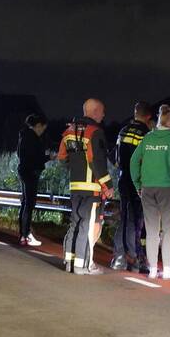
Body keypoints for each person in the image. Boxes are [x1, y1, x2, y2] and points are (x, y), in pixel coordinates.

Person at [57, 98, 113, 275]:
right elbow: (97, 161)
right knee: (87, 226)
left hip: (75, 186)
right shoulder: (95, 132)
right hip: (91, 187)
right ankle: (84, 265)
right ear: (95, 112)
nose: (103, 115)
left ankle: (70, 262)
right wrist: (108, 185)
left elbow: (61, 158)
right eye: (102, 111)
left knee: (75, 222)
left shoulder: (68, 131)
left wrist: (75, 171)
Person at [131, 107, 170, 279]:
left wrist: (138, 184)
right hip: (167, 187)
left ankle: (153, 269)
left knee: (152, 229)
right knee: (168, 229)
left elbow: (134, 161)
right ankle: (167, 269)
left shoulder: (148, 138)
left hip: (147, 187)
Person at [111, 101, 154, 272]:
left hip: (123, 179)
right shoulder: (146, 134)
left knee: (125, 216)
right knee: (136, 221)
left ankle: (120, 256)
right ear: (148, 116)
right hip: (139, 181)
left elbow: (115, 159)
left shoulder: (122, 131)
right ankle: (135, 258)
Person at [16, 113, 49, 246]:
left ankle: (23, 235)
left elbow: (22, 154)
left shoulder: (24, 136)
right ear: (38, 126)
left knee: (25, 203)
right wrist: (48, 157)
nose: (42, 132)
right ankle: (26, 235)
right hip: (30, 172)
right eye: (43, 129)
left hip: (25, 171)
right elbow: (35, 157)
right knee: (29, 204)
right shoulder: (32, 137)